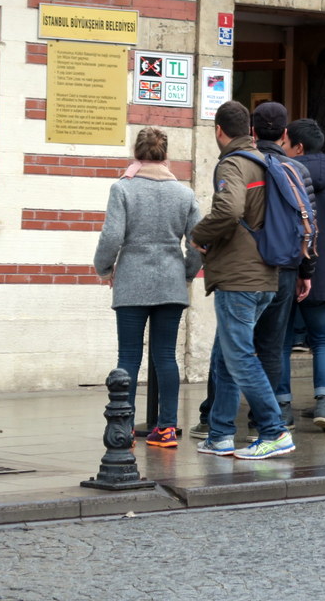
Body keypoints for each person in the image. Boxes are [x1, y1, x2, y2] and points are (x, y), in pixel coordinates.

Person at [189, 101, 294, 460]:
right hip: (265, 273)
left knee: (241, 357)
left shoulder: (233, 163)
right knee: (226, 354)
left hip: (240, 277)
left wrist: (200, 234)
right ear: (249, 130)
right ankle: (219, 433)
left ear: (219, 130)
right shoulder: (266, 161)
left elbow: (230, 209)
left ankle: (274, 430)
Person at [93, 127, 201, 448]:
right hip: (170, 282)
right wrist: (187, 273)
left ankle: (123, 429)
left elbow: (112, 236)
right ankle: (166, 428)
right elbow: (198, 243)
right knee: (166, 356)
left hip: (131, 282)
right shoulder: (185, 194)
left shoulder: (122, 189)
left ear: (136, 153)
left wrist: (105, 268)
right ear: (165, 155)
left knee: (128, 356)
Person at [279, 118, 325, 431]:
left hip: (285, 269)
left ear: (297, 146)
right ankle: (324, 402)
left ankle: (283, 406)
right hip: (323, 271)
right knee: (322, 340)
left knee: (281, 341)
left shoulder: (283, 175)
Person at [249, 102, 314, 426]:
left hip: (248, 266)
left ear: (252, 131)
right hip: (286, 267)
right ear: (285, 134)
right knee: (274, 346)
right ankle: (265, 418)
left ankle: (214, 416)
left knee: (236, 344)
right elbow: (308, 225)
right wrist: (306, 272)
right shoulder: (296, 170)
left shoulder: (243, 164)